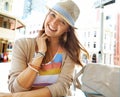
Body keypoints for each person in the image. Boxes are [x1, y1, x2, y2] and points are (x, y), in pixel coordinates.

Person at [0, 0, 88, 97]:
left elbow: (62, 88)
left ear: (67, 29)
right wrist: (40, 54)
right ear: (47, 15)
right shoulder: (22, 45)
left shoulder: (70, 52)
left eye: (62, 22)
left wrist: (15, 96)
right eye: (53, 15)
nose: (54, 23)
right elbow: (16, 88)